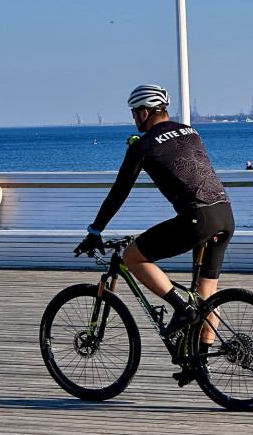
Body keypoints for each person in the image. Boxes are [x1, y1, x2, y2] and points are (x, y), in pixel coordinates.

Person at [74, 84, 234, 340]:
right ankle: (200, 364)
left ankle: (180, 308)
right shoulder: (190, 131)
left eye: (134, 112)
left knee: (132, 257)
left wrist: (95, 230)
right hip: (225, 214)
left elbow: (119, 191)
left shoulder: (143, 145)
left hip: (197, 219)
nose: (133, 118)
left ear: (144, 113)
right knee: (206, 299)